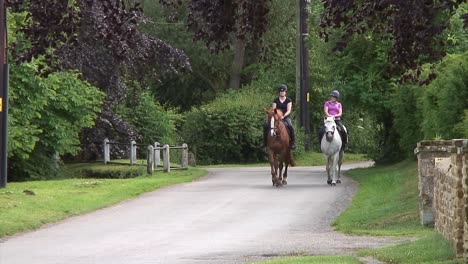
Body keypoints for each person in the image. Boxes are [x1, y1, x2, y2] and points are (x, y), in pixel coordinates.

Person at [263, 84, 296, 150]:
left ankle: (292, 142)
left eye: (283, 91)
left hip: (285, 117)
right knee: (266, 125)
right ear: (279, 92)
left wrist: (283, 116)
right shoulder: (275, 100)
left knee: (290, 126)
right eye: (281, 91)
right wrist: (276, 115)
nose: (282, 92)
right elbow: (274, 109)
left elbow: (289, 110)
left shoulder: (288, 100)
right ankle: (264, 142)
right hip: (276, 117)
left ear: (285, 92)